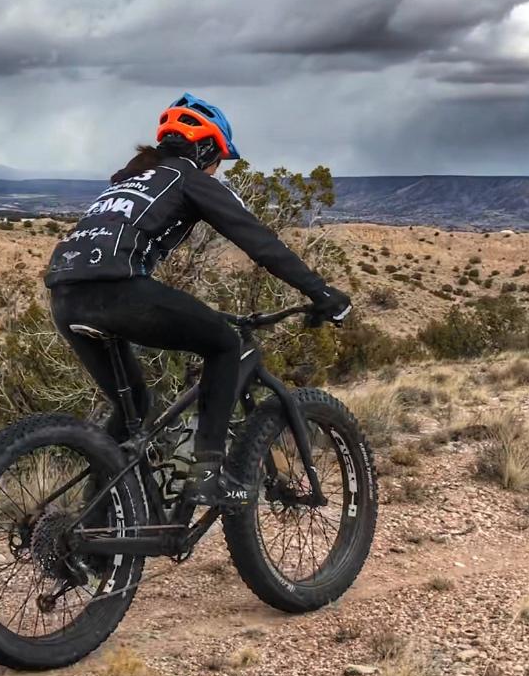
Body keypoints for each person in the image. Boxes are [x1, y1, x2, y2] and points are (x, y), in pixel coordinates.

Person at [43, 92, 352, 508]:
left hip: (65, 299)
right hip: (118, 292)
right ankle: (208, 473)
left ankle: (97, 524)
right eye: (219, 161)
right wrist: (321, 292)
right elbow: (258, 241)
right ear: (206, 148)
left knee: (133, 405)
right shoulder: (188, 177)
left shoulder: (130, 180)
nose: (217, 172)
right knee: (226, 344)